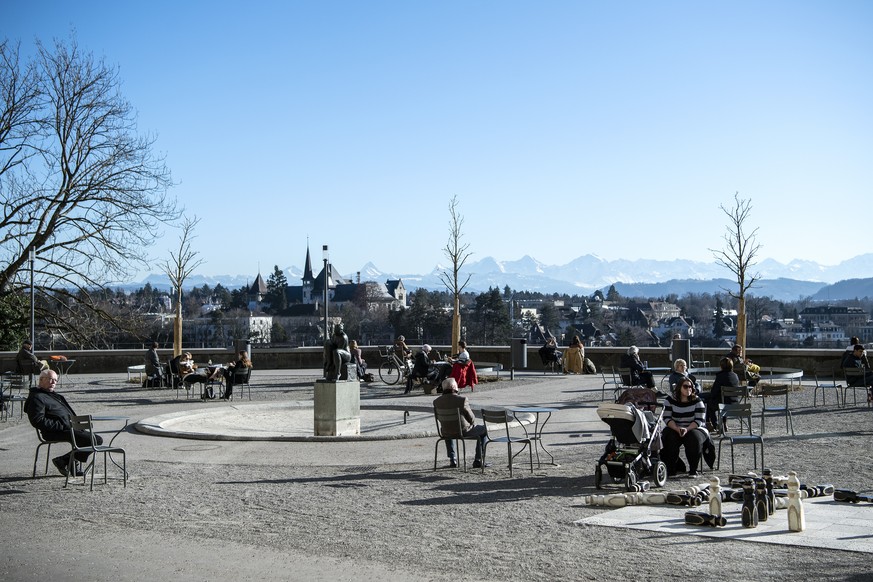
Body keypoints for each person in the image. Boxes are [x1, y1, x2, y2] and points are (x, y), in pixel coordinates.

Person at [24, 369, 102, 477]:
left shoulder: (55, 396)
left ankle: (68, 461)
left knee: (95, 439)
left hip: (68, 428)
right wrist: (63, 425)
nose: (53, 383)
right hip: (53, 431)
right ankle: (67, 461)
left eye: (55, 380)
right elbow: (38, 421)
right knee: (93, 440)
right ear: (41, 380)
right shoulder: (37, 397)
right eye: (50, 379)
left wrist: (76, 424)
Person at [432, 377, 487, 468]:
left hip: (445, 432)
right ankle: (478, 460)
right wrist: (470, 423)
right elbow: (471, 419)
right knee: (484, 430)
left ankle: (452, 459)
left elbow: (439, 418)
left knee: (447, 428)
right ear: (454, 387)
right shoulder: (462, 400)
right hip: (463, 431)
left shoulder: (437, 402)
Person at [661, 378, 710, 477]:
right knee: (670, 437)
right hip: (675, 427)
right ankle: (671, 469)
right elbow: (666, 418)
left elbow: (699, 420)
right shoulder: (670, 400)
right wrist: (677, 428)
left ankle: (693, 470)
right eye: (685, 386)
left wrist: (686, 429)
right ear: (679, 388)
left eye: (691, 386)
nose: (689, 388)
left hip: (694, 427)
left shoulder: (697, 400)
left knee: (693, 438)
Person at [706, 357, 741, 429]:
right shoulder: (735, 376)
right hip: (734, 402)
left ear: (721, 366)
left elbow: (714, 392)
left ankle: (713, 424)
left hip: (722, 403)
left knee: (709, 404)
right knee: (723, 400)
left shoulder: (720, 376)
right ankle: (724, 424)